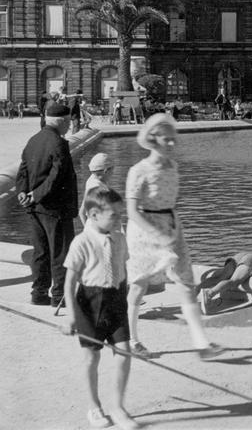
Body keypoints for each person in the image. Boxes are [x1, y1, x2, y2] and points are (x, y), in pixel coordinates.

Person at [125, 114, 224, 360]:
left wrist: (172, 229)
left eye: (173, 140)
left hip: (171, 225)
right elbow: (131, 211)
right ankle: (131, 339)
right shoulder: (138, 171)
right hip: (144, 230)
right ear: (152, 139)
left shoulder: (173, 167)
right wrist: (155, 233)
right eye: (166, 140)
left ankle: (201, 343)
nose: (171, 144)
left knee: (186, 284)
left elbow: (172, 201)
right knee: (139, 285)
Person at [62, 187, 140, 430]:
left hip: (116, 300)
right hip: (90, 303)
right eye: (114, 215)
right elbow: (69, 283)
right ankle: (94, 407)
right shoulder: (82, 242)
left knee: (124, 353)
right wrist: (72, 317)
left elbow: (122, 268)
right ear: (94, 215)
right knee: (91, 357)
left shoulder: (120, 237)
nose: (120, 219)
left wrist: (123, 297)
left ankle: (118, 407)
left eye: (121, 214)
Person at [16, 103, 78, 307]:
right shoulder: (58, 143)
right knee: (60, 252)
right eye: (68, 121)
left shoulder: (34, 140)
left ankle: (39, 292)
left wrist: (23, 193)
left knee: (40, 251)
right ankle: (60, 296)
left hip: (35, 209)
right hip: (54, 208)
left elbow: (23, 170)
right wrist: (35, 195)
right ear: (61, 121)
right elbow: (57, 176)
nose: (69, 126)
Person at [79, 153, 114, 225]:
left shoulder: (92, 181)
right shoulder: (98, 188)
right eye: (112, 169)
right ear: (105, 171)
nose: (113, 173)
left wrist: (87, 231)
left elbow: (82, 212)